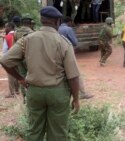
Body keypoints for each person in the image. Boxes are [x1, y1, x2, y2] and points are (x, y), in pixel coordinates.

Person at [0, 6, 80, 140]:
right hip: (57, 92)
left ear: (41, 20)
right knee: (58, 133)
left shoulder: (27, 39)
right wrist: (76, 99)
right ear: (57, 22)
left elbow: (5, 61)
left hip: (34, 92)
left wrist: (20, 78)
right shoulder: (64, 42)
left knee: (34, 131)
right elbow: (73, 76)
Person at [58, 16, 93, 99]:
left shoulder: (57, 28)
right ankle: (83, 93)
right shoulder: (68, 29)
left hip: (57, 54)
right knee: (76, 73)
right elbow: (74, 42)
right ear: (69, 22)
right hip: (68, 53)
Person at [14, 13, 34, 103]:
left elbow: (14, 46)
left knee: (22, 76)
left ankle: (24, 97)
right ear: (30, 22)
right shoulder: (32, 33)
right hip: (29, 58)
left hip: (19, 58)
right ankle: (32, 96)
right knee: (32, 76)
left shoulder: (16, 32)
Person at [2, 22, 19, 98]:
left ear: (9, 27)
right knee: (17, 74)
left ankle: (12, 93)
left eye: (6, 27)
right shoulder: (17, 35)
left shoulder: (7, 37)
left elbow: (5, 50)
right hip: (19, 58)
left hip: (10, 58)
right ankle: (17, 90)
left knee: (11, 75)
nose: (5, 28)